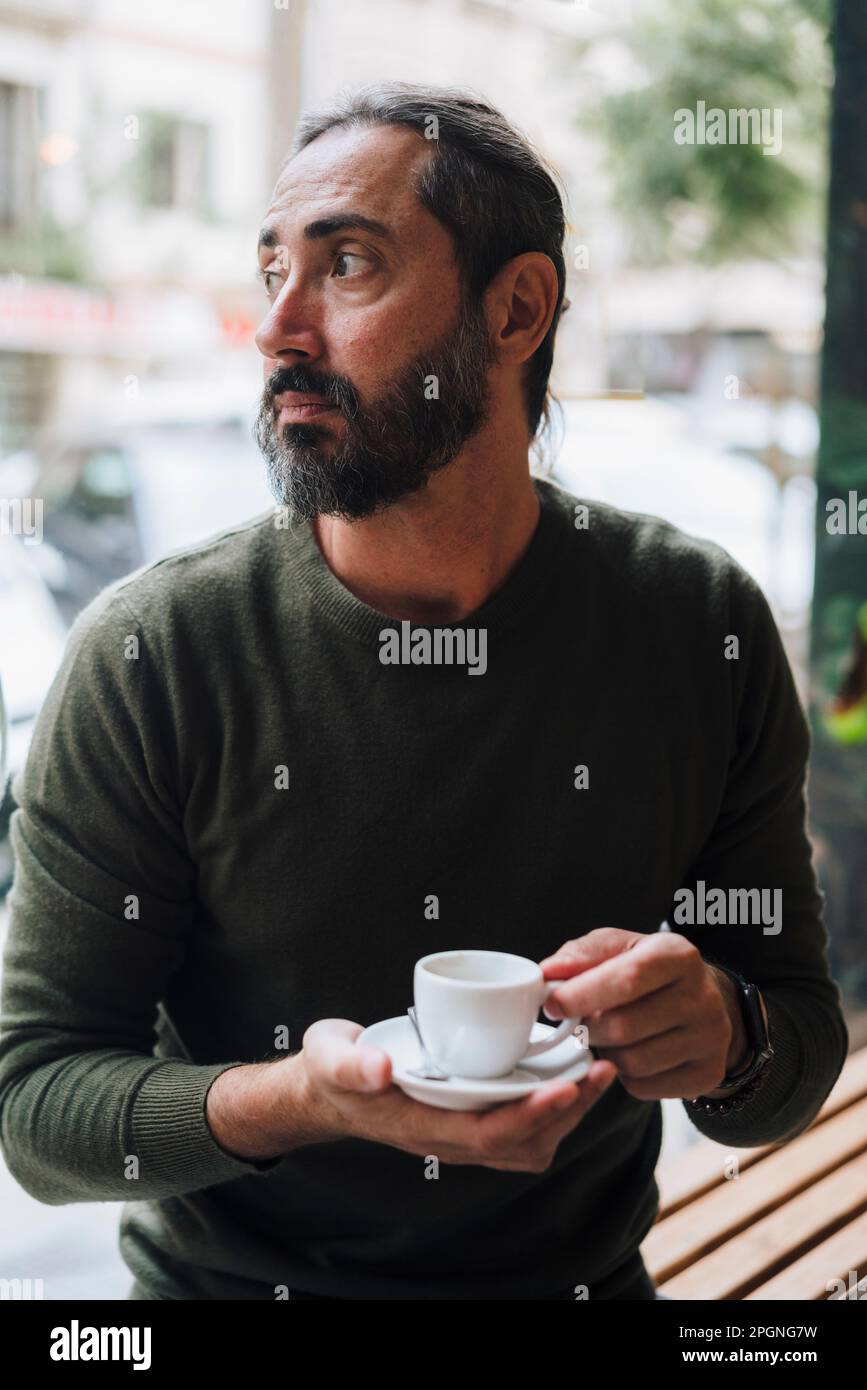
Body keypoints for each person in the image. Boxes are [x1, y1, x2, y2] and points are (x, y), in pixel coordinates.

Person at [0, 82, 848, 1302]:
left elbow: (797, 1045)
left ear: (515, 309)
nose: (277, 327)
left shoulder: (695, 624)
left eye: (346, 265)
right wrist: (302, 1098)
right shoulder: (153, 654)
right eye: (272, 268)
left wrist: (726, 1033)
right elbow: (38, 1107)